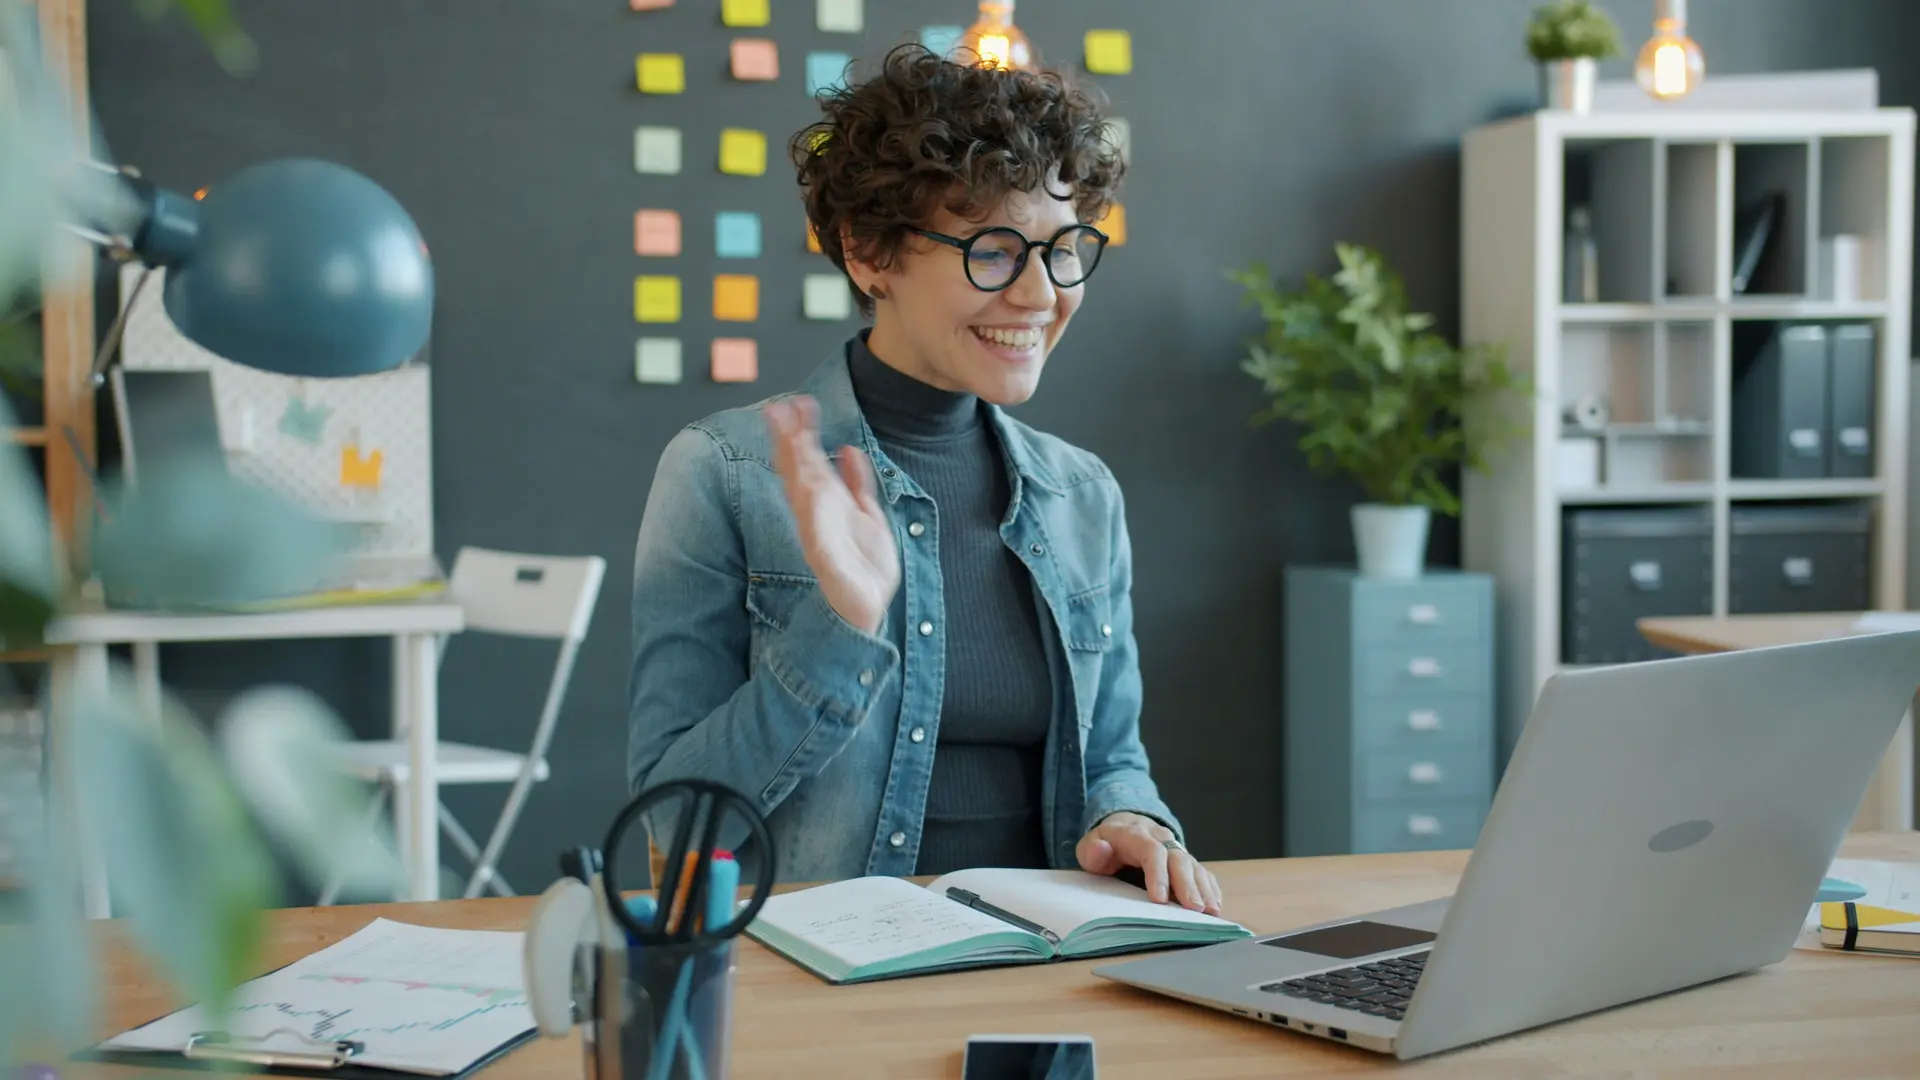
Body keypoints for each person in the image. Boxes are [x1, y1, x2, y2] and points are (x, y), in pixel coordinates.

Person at [626, 43, 1219, 914]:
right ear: (870, 253)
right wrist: (840, 628)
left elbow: (1113, 757)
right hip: (827, 974)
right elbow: (674, 826)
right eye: (993, 250)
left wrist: (1134, 820)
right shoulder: (723, 473)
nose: (1040, 293)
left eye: (1063, 251)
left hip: (1047, 962)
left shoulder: (1082, 495)